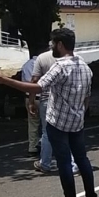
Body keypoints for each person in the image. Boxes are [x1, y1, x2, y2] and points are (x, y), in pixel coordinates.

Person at [0, 28, 98, 197]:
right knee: (81, 159)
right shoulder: (85, 66)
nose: (52, 46)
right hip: (77, 122)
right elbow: (87, 96)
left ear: (60, 44)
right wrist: (80, 112)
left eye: (53, 43)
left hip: (58, 123)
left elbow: (37, 87)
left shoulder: (60, 66)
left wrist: (5, 81)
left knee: (63, 162)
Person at [29, 45, 79, 175]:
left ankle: (45, 163)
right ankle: (74, 164)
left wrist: (31, 101)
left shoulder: (42, 58)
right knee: (69, 131)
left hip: (46, 99)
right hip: (68, 99)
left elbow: (35, 81)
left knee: (47, 132)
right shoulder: (73, 58)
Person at [21, 53, 40, 157]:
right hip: (44, 97)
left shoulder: (26, 65)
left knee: (33, 123)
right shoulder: (45, 64)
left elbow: (24, 83)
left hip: (29, 97)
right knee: (48, 125)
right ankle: (48, 147)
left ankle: (32, 147)